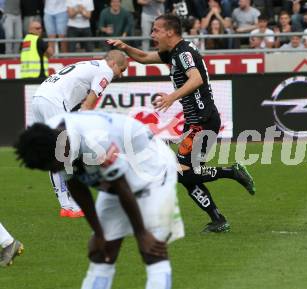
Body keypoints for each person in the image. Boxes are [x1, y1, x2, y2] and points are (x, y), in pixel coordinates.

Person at [108, 14, 256, 233]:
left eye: (156, 30)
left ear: (170, 32)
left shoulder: (184, 53)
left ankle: (231, 172)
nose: (152, 34)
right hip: (195, 122)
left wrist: (171, 97)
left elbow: (196, 79)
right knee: (187, 176)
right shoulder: (173, 52)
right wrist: (124, 47)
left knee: (182, 173)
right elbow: (144, 57)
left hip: (203, 121)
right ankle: (217, 219)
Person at [15, 111, 184, 289]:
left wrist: (141, 232)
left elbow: (122, 186)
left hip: (152, 172)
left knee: (152, 250)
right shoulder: (49, 138)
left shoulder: (95, 139)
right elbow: (76, 186)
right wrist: (98, 233)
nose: (55, 170)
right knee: (102, 252)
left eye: (53, 166)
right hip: (113, 179)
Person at [30, 50, 128, 218]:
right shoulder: (105, 71)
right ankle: (68, 205)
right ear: (113, 63)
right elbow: (88, 106)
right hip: (54, 100)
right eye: (122, 69)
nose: (121, 74)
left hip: (39, 98)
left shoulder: (91, 65)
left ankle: (67, 203)